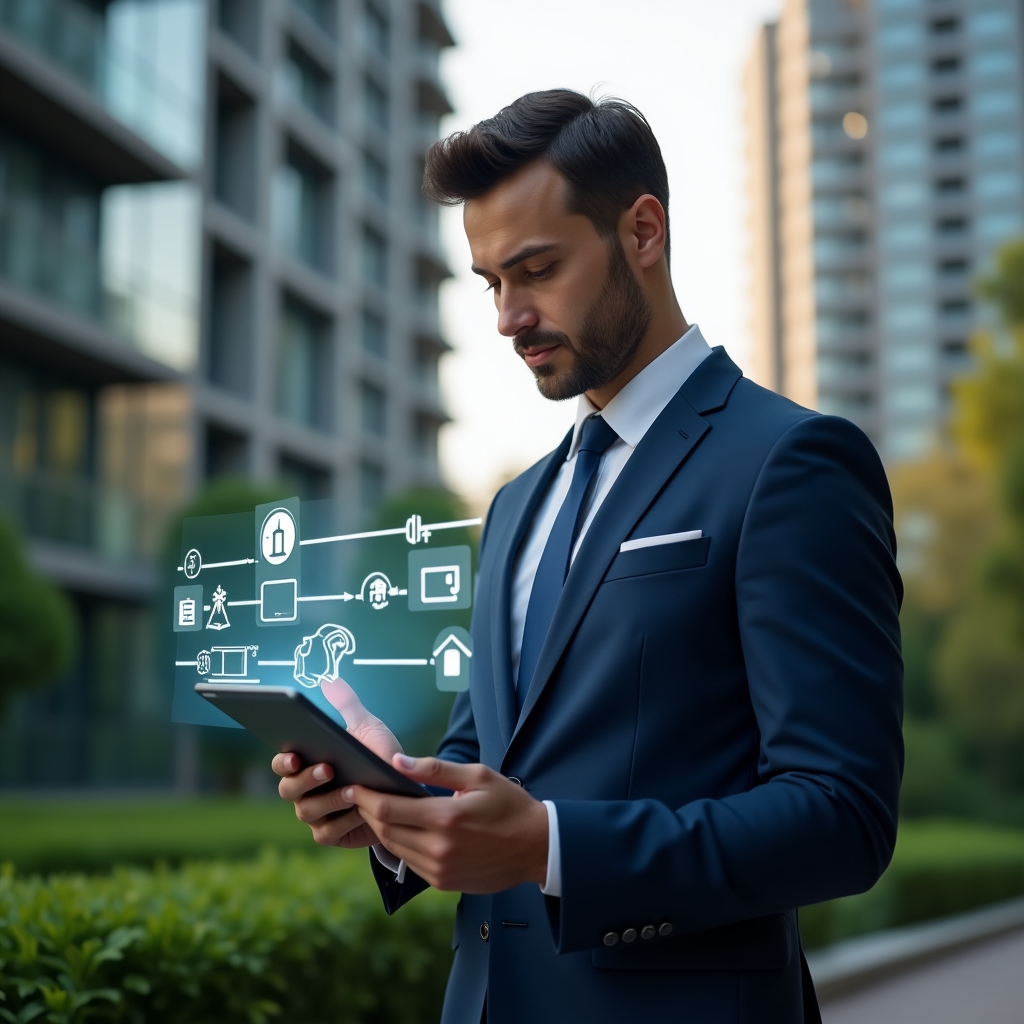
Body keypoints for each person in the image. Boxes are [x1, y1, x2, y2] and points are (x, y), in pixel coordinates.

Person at [273, 90, 903, 1024]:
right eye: (490, 282)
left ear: (642, 231)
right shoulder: (518, 505)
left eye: (536, 269)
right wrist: (389, 804)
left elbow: (842, 816)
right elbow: (483, 760)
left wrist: (551, 848)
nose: (507, 317)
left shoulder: (793, 462)